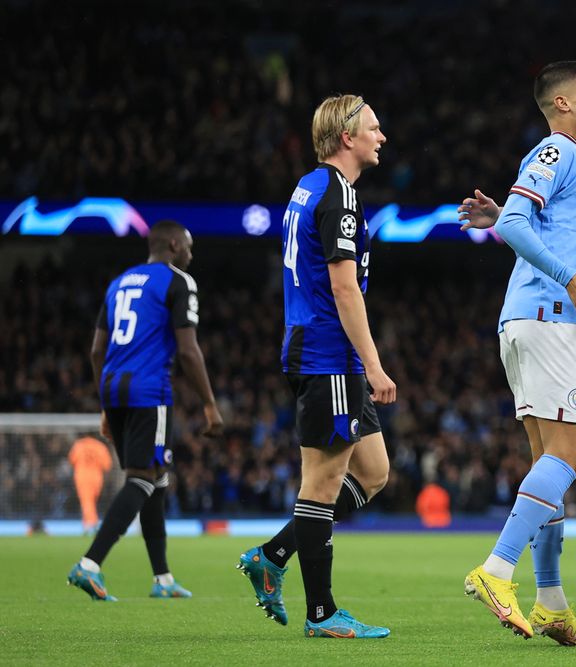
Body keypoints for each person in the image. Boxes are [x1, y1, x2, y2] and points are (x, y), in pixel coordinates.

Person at [458, 60, 576, 647]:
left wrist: (499, 218)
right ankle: (496, 569)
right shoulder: (558, 152)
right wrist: (570, 278)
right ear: (562, 105)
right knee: (573, 454)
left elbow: (520, 221)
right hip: (548, 320)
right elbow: (515, 222)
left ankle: (552, 603)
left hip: (532, 320)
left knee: (549, 467)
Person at [236, 94, 395, 639]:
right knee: (322, 486)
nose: (382, 137)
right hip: (330, 355)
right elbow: (344, 287)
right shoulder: (339, 196)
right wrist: (373, 365)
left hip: (324, 351)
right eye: (374, 128)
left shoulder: (310, 186)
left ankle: (272, 555)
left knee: (372, 474)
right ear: (347, 137)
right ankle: (322, 613)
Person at [68, 219, 224, 601]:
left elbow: (95, 351)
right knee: (142, 477)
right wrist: (209, 405)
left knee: (156, 476)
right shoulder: (178, 281)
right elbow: (188, 349)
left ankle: (162, 577)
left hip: (114, 387)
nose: (191, 253)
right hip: (148, 389)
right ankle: (90, 564)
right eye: (187, 246)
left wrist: (105, 406)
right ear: (172, 244)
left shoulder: (119, 282)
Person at [69, 433, 112, 534]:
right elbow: (107, 465)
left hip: (82, 476)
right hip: (97, 477)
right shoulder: (100, 446)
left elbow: (72, 460)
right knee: (91, 500)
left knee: (86, 500)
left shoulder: (79, 445)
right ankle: (88, 523)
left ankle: (91, 523)